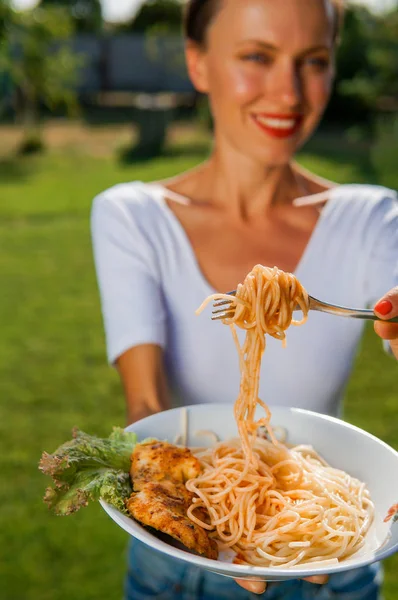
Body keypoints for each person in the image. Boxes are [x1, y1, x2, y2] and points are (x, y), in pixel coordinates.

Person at [90, 0, 398, 598]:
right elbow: (147, 402)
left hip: (336, 556)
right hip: (179, 556)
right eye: (257, 57)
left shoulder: (373, 217)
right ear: (198, 63)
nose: (288, 92)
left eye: (313, 60)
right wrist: (193, 524)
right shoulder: (131, 215)